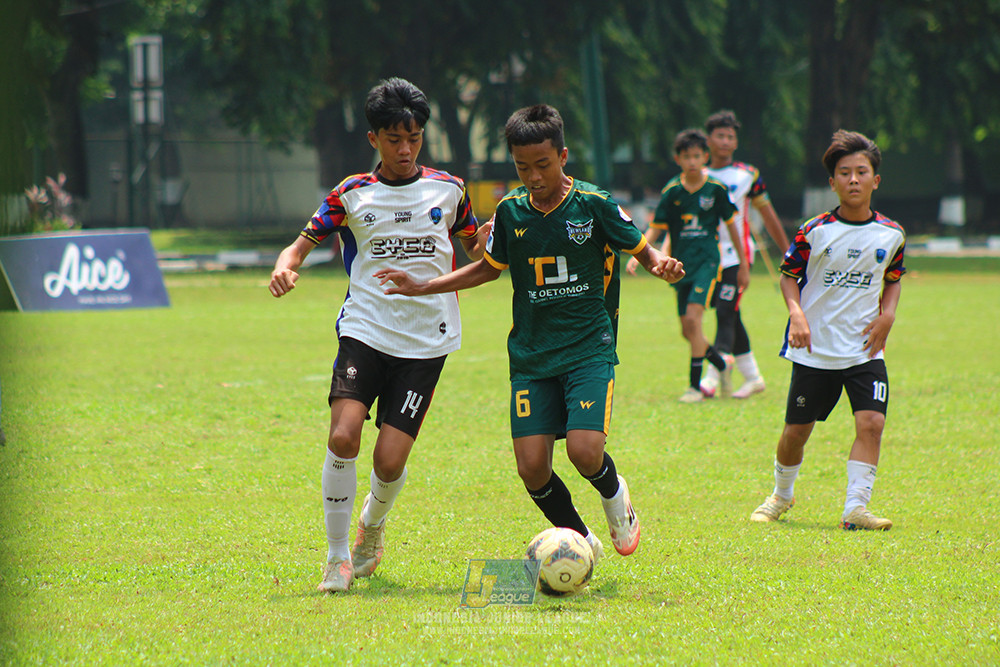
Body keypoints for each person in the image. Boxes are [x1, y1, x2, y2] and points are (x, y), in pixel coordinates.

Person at [375, 104, 684, 563]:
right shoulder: (512, 213)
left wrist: (660, 264)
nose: (534, 177)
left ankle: (617, 499)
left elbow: (642, 247)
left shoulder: (594, 204)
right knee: (532, 468)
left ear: (562, 155)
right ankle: (580, 539)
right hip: (532, 355)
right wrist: (425, 285)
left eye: (543, 165)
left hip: (587, 348)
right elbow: (486, 269)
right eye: (523, 168)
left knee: (584, 451)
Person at [269, 77, 488, 593]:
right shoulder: (351, 194)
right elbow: (298, 246)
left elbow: (479, 249)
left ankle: (373, 523)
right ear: (374, 139)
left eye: (414, 137)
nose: (406, 149)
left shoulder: (450, 190)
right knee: (343, 436)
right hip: (365, 329)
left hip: (427, 339)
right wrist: (285, 268)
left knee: (388, 461)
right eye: (394, 139)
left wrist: (491, 239)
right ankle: (337, 557)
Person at [749, 130, 905, 531]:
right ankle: (781, 495)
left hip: (864, 350)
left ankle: (856, 508)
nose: (853, 180)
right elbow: (788, 276)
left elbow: (893, 278)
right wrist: (796, 314)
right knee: (795, 433)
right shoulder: (813, 231)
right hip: (815, 350)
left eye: (861, 172)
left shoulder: (892, 235)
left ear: (876, 180)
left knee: (872, 423)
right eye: (844, 173)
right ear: (832, 182)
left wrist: (887, 314)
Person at [650, 129, 749, 403]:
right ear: (677, 159)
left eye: (697, 156)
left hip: (708, 263)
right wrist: (640, 254)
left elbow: (733, 226)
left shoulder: (715, 189)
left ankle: (695, 387)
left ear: (705, 157)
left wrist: (741, 263)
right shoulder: (672, 191)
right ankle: (721, 363)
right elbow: (656, 228)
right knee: (687, 330)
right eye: (686, 157)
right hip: (680, 267)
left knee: (694, 320)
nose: (692, 161)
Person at [699, 110, 791, 399]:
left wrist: (789, 251)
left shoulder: (748, 175)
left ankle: (712, 376)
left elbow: (768, 213)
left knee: (726, 309)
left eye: (730, 137)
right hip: (706, 258)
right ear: (708, 140)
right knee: (729, 312)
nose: (725, 141)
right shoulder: (697, 174)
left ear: (736, 143)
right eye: (720, 136)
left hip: (738, 255)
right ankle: (753, 378)